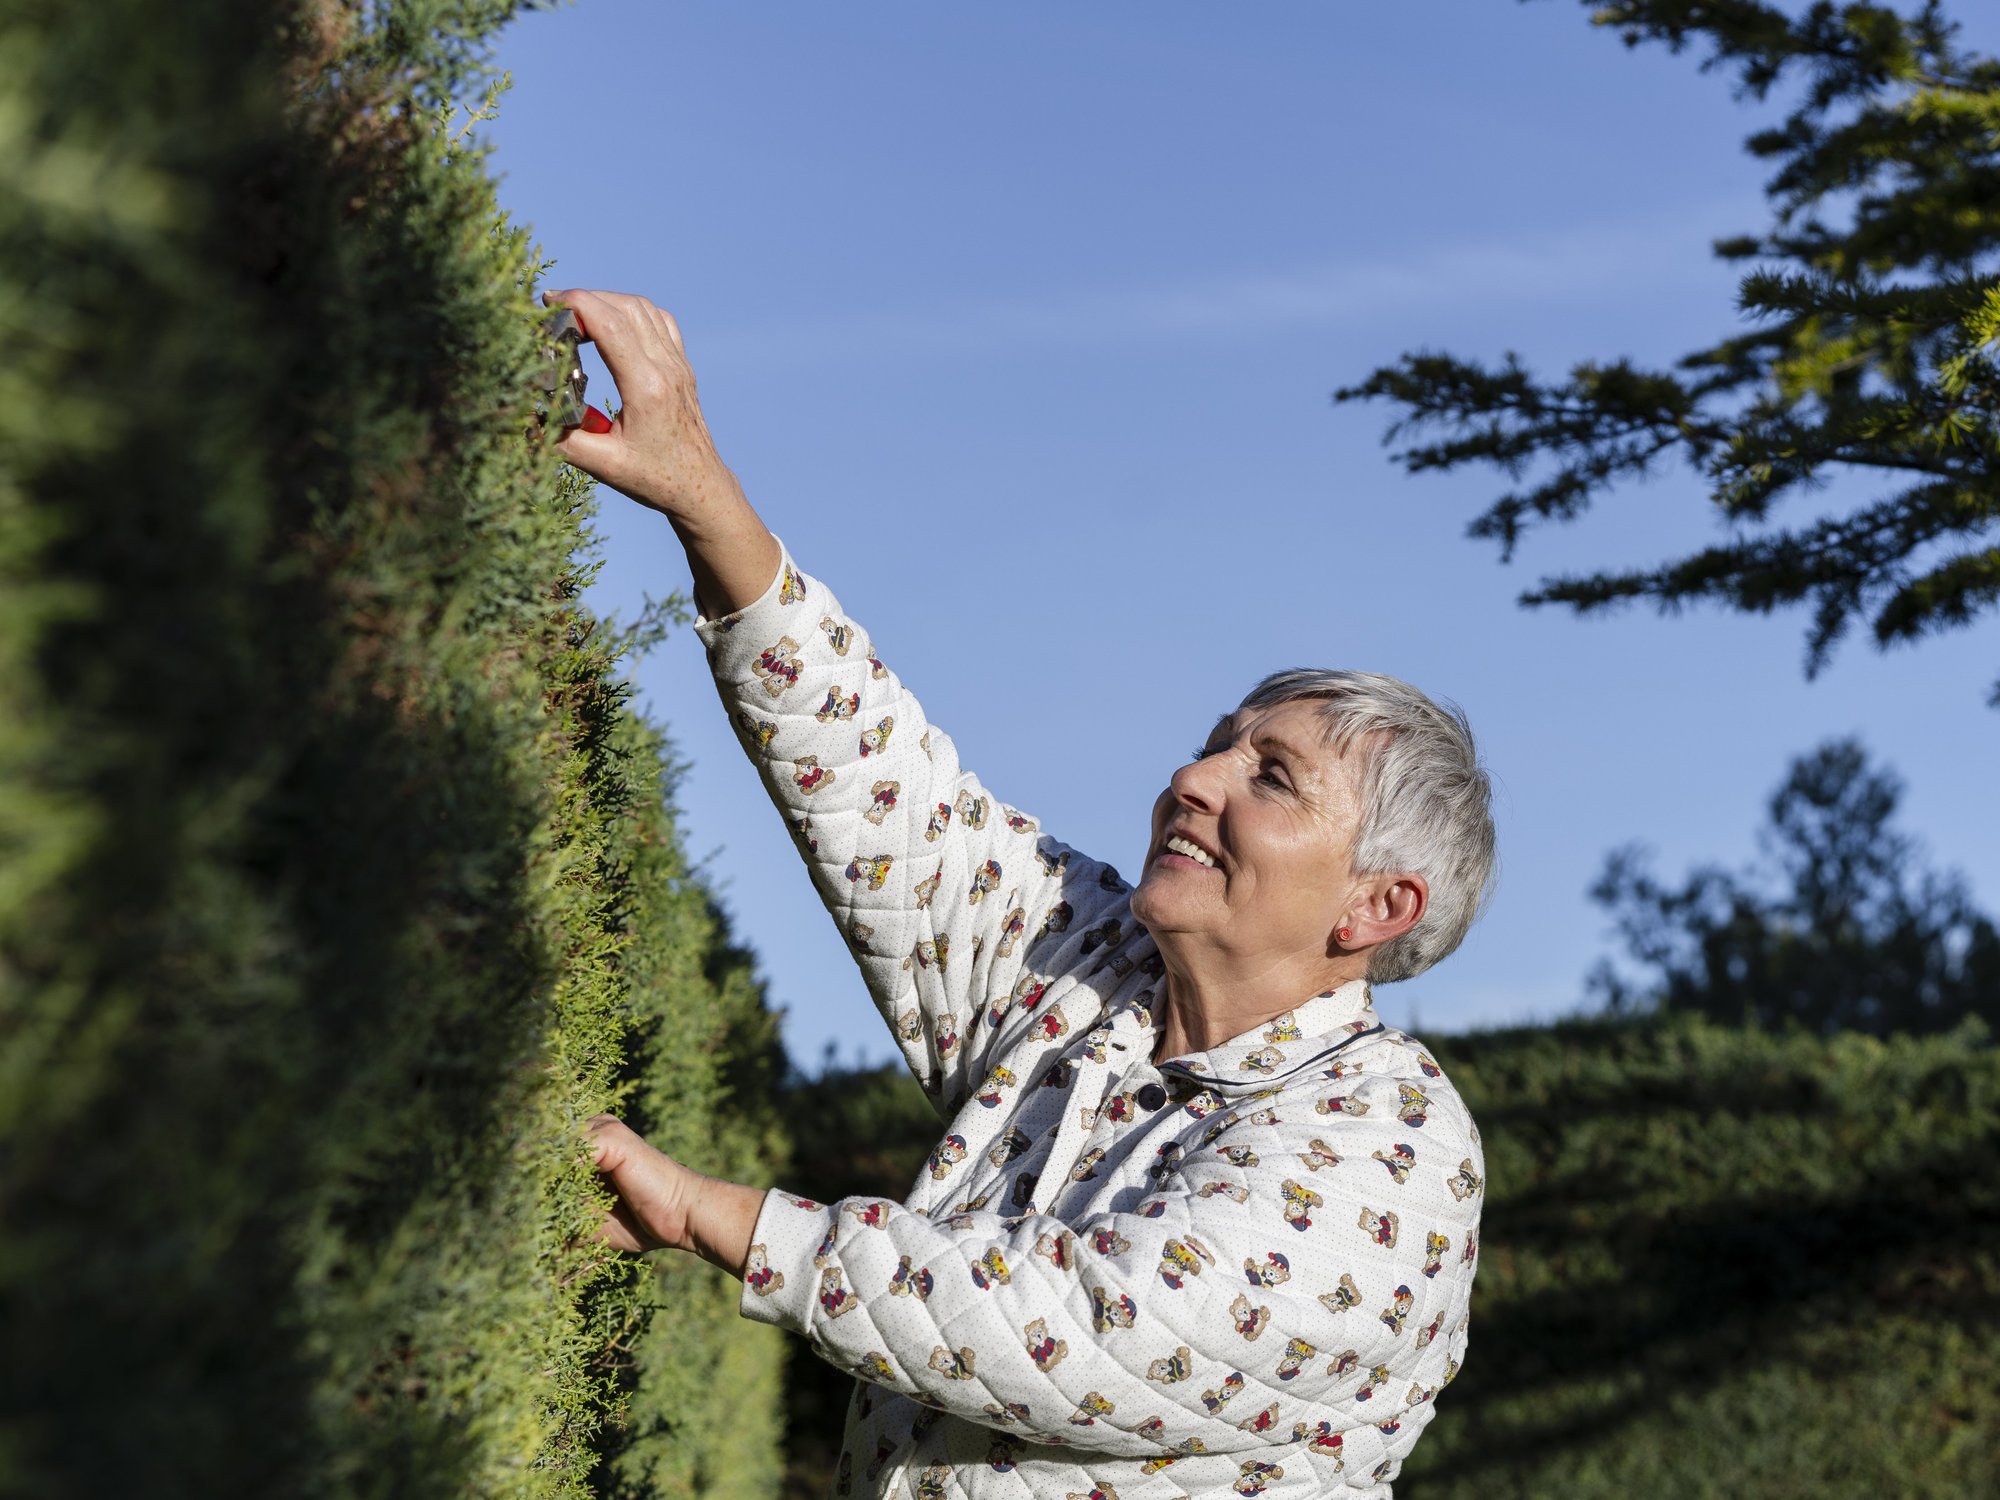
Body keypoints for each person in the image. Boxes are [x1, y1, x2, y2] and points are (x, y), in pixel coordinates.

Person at [551, 288, 1495, 1499]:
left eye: (1268, 777)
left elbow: (1084, 1328)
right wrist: (700, 494)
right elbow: (887, 798)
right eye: (1216, 741)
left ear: (1374, 909)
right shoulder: (1093, 971)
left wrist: (710, 1217)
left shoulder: (1390, 1152)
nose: (1192, 777)